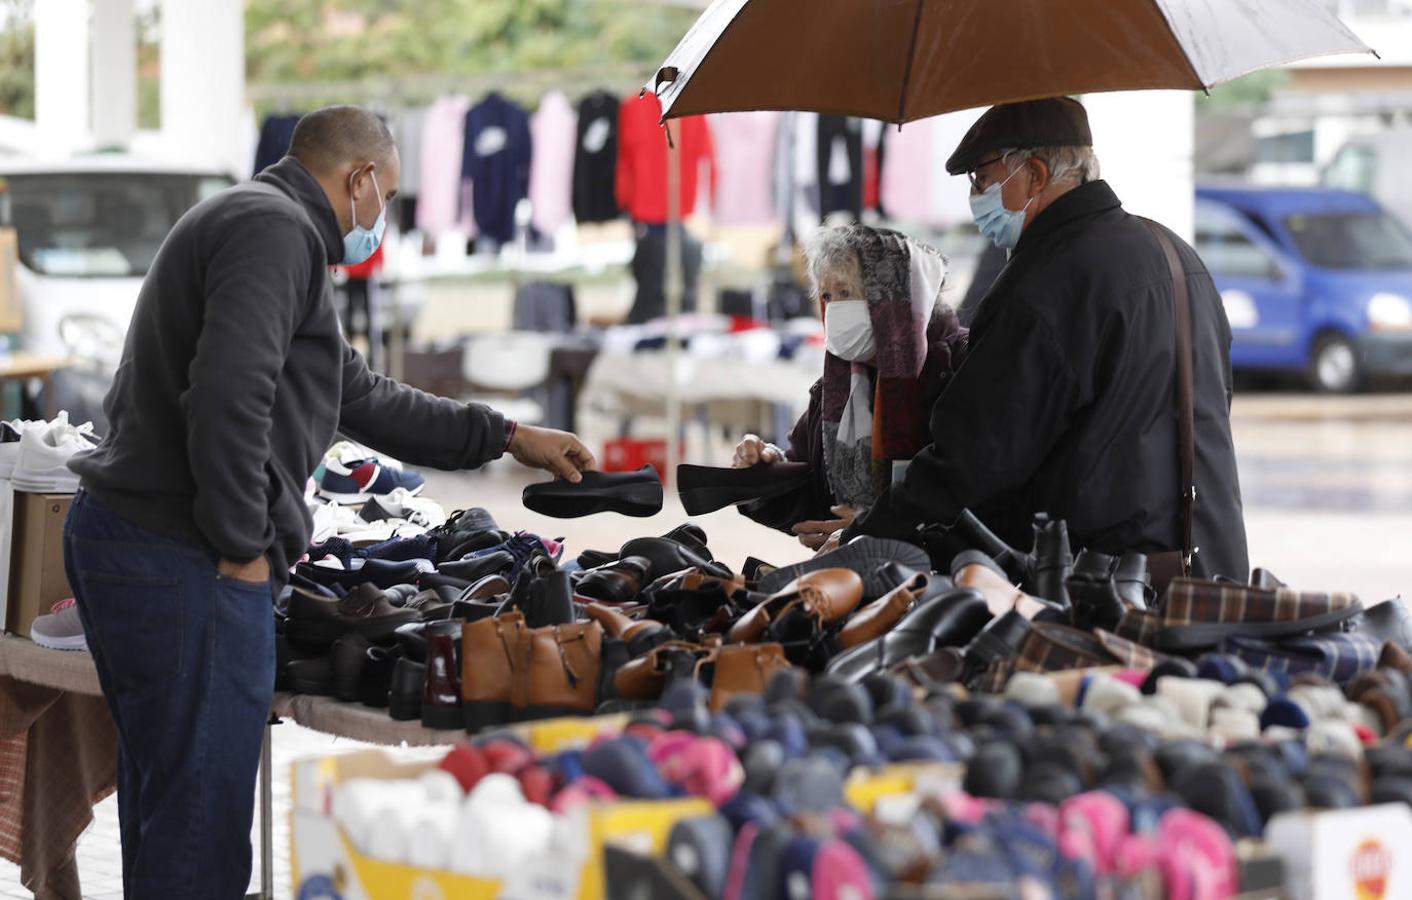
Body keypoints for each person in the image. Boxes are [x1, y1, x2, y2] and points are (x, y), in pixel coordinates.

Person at [63, 106, 595, 897]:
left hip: (146, 542)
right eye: (391, 196)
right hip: (184, 555)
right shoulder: (275, 232)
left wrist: (509, 435)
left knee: (170, 804)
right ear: (361, 181)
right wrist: (243, 547)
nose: (384, 218)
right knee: (199, 829)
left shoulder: (262, 226)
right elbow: (228, 397)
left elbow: (358, 394)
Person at [837, 97, 1248, 582]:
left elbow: (974, 458)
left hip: (1100, 594)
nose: (975, 196)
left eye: (982, 178)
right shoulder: (1176, 255)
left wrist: (864, 537)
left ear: (1033, 174)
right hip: (1209, 575)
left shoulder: (1045, 284)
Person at [732, 224, 967, 548]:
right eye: (827, 296)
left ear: (893, 294)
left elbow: (969, 492)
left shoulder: (961, 368)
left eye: (845, 292)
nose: (833, 310)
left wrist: (871, 527)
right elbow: (812, 491)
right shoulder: (836, 387)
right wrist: (762, 472)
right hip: (857, 580)